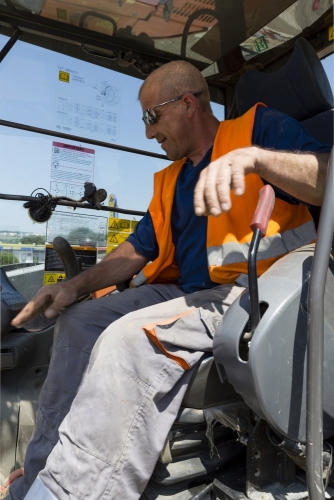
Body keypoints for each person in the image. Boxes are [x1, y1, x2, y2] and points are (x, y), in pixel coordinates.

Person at [5, 60, 330, 500]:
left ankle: (71, 492)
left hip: (255, 292)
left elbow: (327, 177)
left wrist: (256, 160)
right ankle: (38, 473)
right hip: (188, 292)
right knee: (80, 320)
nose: (146, 133)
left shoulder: (260, 130)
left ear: (188, 103)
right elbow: (135, 252)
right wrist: (71, 288)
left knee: (128, 339)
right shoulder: (173, 179)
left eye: (150, 117)